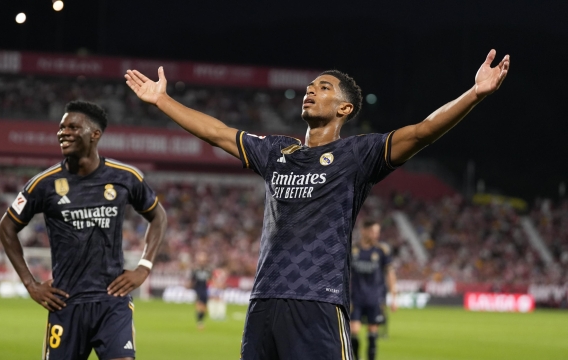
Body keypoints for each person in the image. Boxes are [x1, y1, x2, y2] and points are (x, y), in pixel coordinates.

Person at [124, 49, 509, 360]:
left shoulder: (358, 154)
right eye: (310, 86)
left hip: (317, 302)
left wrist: (473, 94)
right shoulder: (277, 151)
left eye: (323, 88)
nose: (311, 90)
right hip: (263, 302)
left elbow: (423, 132)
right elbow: (218, 133)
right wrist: (162, 100)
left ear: (344, 109)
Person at [0, 100, 167, 360]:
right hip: (65, 302)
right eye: (61, 127)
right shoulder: (43, 184)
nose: (63, 132)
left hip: (112, 300)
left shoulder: (125, 177)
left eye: (73, 127)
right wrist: (30, 285)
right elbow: (7, 227)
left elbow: (158, 216)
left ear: (94, 134)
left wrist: (144, 266)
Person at [350, 220, 397, 360]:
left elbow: (390, 273)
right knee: (354, 330)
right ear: (363, 230)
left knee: (372, 332)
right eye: (372, 231)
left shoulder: (382, 250)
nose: (375, 235)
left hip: (374, 298)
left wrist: (394, 297)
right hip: (356, 298)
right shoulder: (352, 249)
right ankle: (356, 357)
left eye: (377, 232)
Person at [190, 251, 213, 329]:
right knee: (199, 305)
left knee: (204, 308)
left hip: (205, 290)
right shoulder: (195, 269)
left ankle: (201, 321)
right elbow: (192, 280)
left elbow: (211, 279)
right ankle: (199, 322)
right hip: (197, 289)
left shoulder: (208, 270)